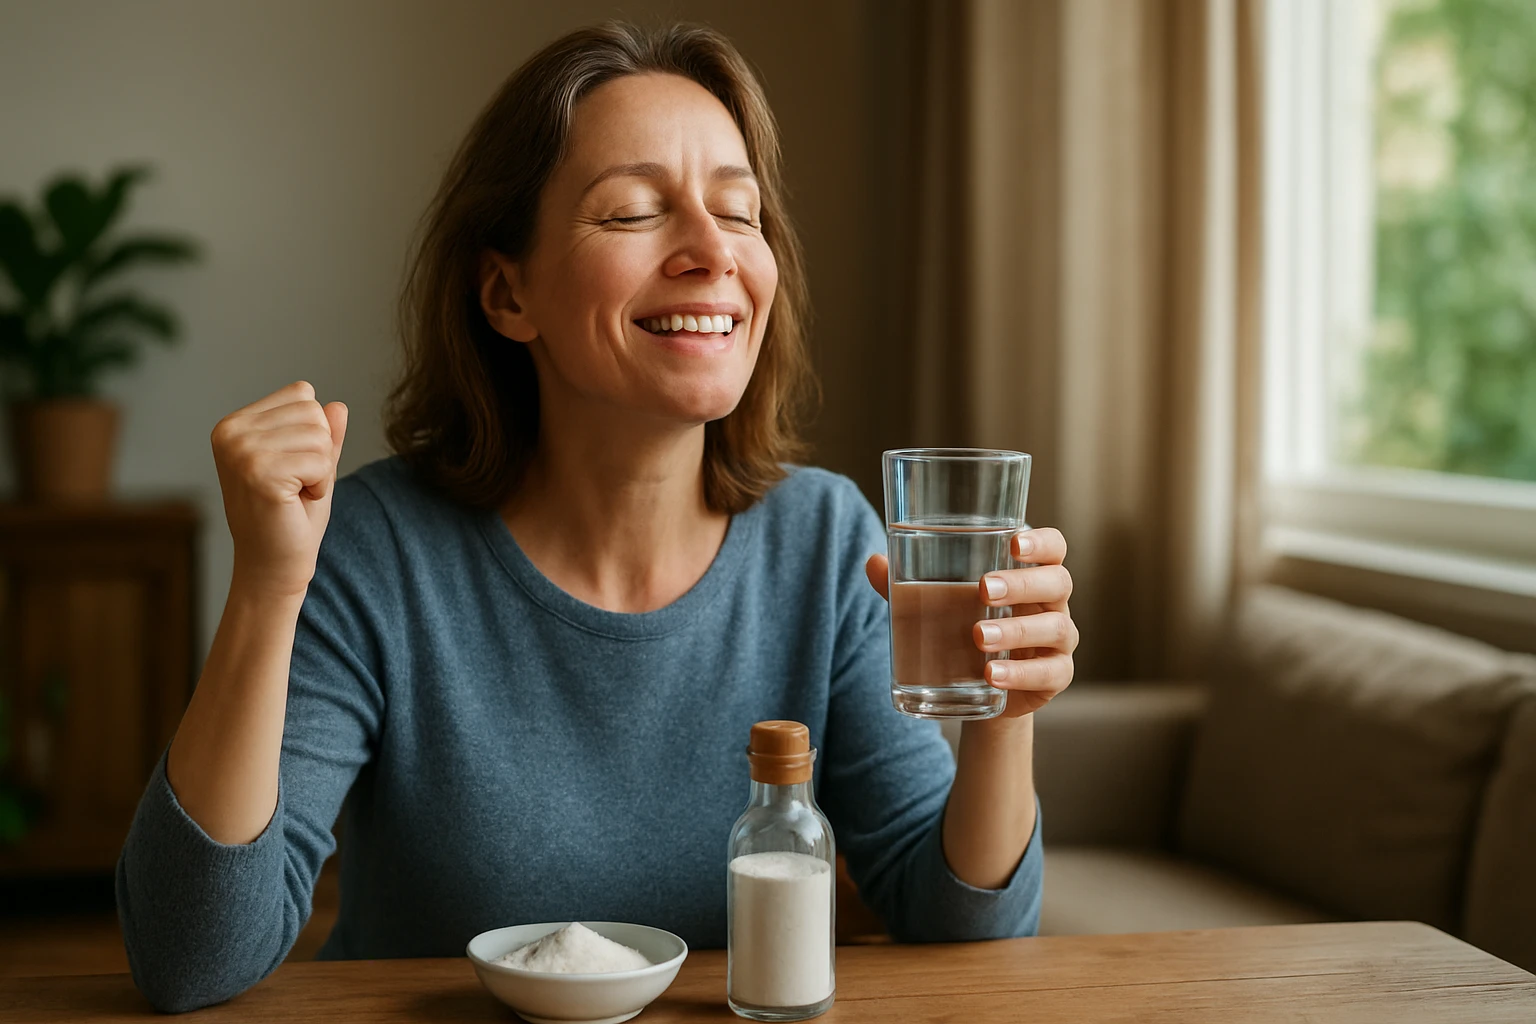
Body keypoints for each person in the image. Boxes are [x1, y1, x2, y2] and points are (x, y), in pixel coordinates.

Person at [115, 21, 1078, 1013]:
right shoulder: (376, 549)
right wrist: (270, 587)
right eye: (631, 213)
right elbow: (194, 958)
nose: (712, 252)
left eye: (741, 214)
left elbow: (960, 931)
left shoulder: (828, 543)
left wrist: (1006, 721)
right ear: (506, 291)